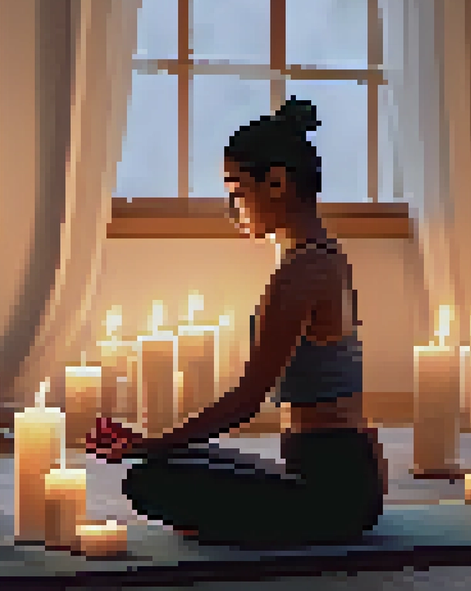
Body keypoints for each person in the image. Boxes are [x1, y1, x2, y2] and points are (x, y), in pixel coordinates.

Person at [88, 97, 387, 548]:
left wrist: (149, 444)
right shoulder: (326, 256)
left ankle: (254, 525)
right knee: (179, 462)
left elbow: (247, 401)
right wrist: (163, 445)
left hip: (333, 492)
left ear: (277, 182)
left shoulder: (301, 272)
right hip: (341, 475)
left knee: (149, 480)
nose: (234, 207)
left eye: (236, 189)